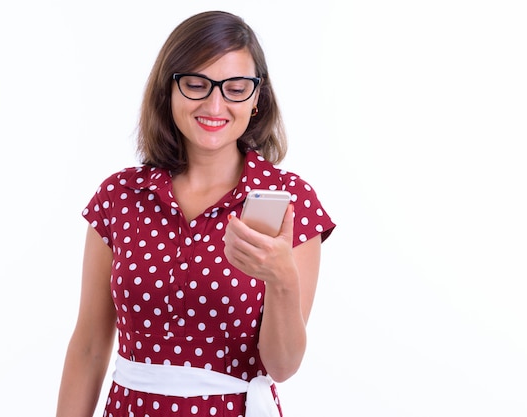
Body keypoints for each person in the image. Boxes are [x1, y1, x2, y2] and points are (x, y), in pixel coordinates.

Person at [56, 10, 335, 417]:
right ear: (169, 90)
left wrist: (282, 280)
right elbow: (88, 346)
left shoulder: (292, 200)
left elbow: (283, 366)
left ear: (257, 98)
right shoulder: (121, 196)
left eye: (236, 87)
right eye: (196, 84)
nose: (215, 103)